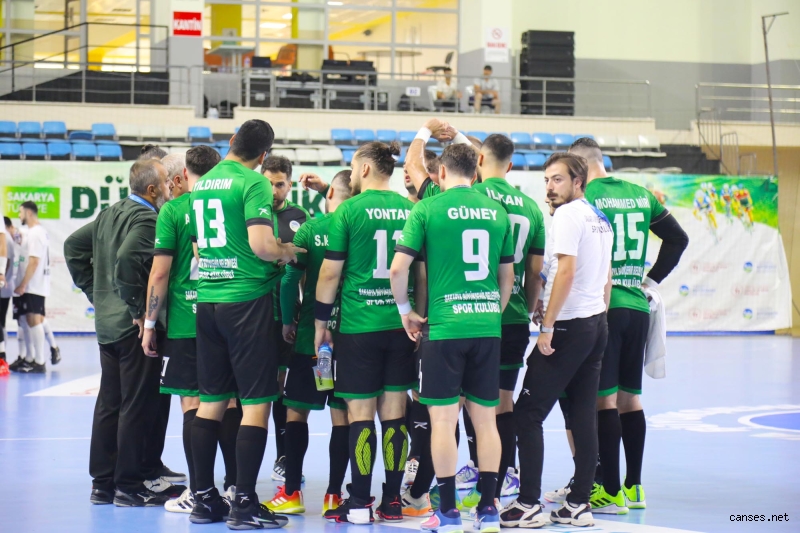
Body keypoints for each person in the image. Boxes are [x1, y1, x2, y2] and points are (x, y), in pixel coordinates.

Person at [390, 141, 515, 533]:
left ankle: (447, 513)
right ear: (476, 172)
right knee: (486, 421)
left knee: (443, 420)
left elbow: (398, 269)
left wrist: (405, 311)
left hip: (444, 327)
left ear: (441, 172)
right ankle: (489, 509)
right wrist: (491, 314)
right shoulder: (497, 211)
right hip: (486, 328)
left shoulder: (427, 208)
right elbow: (508, 276)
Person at [187, 119, 301, 528]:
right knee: (256, 403)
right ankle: (245, 503)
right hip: (246, 302)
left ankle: (203, 499)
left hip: (208, 301)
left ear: (232, 140)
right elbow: (262, 246)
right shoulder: (253, 182)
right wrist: (288, 251)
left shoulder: (203, 183)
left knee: (211, 401)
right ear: (263, 155)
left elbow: (198, 247)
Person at [569, 137, 688, 513]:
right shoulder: (641, 194)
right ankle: (634, 487)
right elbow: (678, 239)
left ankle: (609, 490)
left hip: (604, 306)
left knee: (603, 400)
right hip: (638, 306)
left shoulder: (584, 197)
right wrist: (649, 281)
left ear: (579, 167)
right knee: (630, 399)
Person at [500, 152, 612, 528]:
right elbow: (605, 277)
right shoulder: (599, 218)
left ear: (578, 182)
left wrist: (548, 325)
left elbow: (566, 271)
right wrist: (594, 317)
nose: (549, 187)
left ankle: (528, 504)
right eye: (547, 180)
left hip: (567, 327)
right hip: (594, 324)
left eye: (558, 179)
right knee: (582, 415)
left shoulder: (568, 216)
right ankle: (579, 504)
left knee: (527, 414)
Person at [314, 141, 423, 524]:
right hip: (400, 325)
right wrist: (418, 315)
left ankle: (359, 502)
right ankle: (392, 501)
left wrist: (320, 325)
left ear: (363, 169)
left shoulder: (349, 210)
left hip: (358, 327)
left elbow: (329, 274)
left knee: (359, 415)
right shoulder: (411, 209)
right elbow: (420, 272)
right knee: (394, 414)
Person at [64, 159, 176, 506]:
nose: (170, 189)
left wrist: (97, 294)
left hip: (107, 326)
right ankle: (129, 484)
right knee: (136, 405)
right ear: (152, 190)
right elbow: (128, 260)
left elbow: (72, 246)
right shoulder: (147, 219)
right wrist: (138, 311)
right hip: (131, 329)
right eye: (166, 184)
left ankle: (102, 484)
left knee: (109, 403)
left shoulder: (109, 213)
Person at [139, 147, 238, 514]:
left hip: (186, 323)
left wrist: (150, 324)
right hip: (226, 317)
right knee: (229, 401)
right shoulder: (230, 202)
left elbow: (160, 272)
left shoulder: (174, 211)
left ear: (182, 176)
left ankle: (199, 490)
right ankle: (235, 486)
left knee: (193, 404)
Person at [264, 170, 353, 516]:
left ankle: (292, 492)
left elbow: (290, 280)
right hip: (350, 335)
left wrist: (289, 320)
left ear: (329, 192)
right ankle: (334, 495)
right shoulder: (360, 226)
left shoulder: (311, 229)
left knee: (296, 411)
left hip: (309, 339)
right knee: (343, 415)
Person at [471, 134, 545, 504]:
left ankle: (477, 476)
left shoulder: (473, 197)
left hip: (474, 313)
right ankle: (504, 478)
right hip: (514, 316)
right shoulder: (532, 208)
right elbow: (535, 273)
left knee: (469, 402)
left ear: (479, 160)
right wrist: (527, 310)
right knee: (504, 401)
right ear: (511, 165)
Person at [260, 154, 310, 483]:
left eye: (279, 184)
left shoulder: (299, 217)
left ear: (289, 185)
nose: (274, 190)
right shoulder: (252, 213)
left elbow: (304, 268)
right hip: (255, 314)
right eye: (268, 183)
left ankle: (283, 456)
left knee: (283, 386)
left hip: (286, 316)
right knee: (256, 389)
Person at [10, 202, 50, 374]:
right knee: (29, 320)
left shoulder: (36, 233)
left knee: (34, 320)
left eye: (20, 212)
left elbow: (34, 261)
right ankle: (31, 359)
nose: (19, 216)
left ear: (28, 213)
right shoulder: (34, 232)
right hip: (33, 284)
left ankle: (39, 362)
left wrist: (23, 284)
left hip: (34, 285)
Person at [0, 217, 14, 362]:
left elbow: (7, 260)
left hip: (4, 286)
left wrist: (2, 274)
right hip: (5, 284)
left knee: (1, 322)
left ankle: (3, 355)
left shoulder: (6, 239)